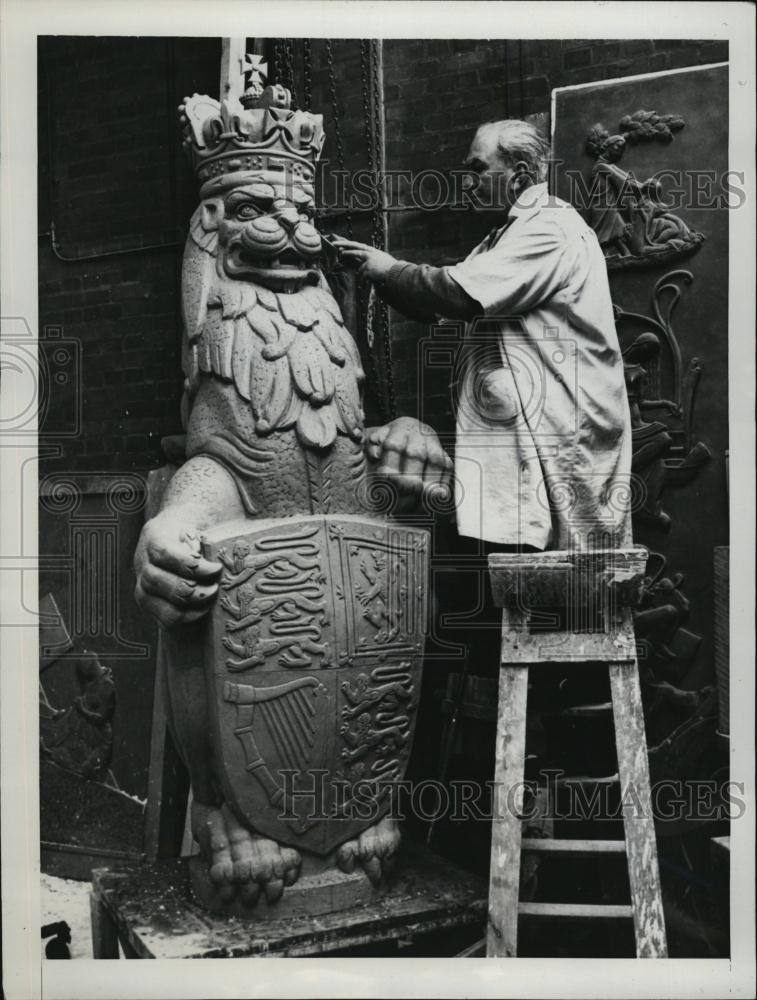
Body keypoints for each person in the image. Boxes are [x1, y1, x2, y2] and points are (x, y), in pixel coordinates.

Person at [334, 119, 633, 552]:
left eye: (478, 169)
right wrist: (376, 274)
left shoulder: (549, 226)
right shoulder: (502, 237)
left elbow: (457, 294)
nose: (467, 183)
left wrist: (388, 268)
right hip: (527, 432)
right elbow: (439, 303)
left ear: (521, 176)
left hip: (559, 432)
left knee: (572, 575)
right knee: (534, 575)